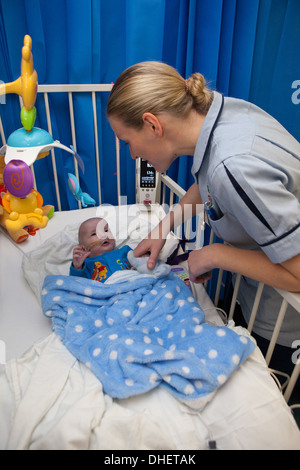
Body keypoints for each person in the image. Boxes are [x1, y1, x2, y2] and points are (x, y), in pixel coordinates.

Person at [106, 61, 300, 381]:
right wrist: (164, 226)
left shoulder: (234, 165)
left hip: (284, 318)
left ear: (153, 125)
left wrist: (213, 255)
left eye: (127, 141)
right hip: (253, 289)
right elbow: (209, 180)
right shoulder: (222, 118)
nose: (131, 155)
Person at [70, 217, 132, 282]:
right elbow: (77, 284)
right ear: (83, 247)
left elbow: (140, 262)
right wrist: (77, 268)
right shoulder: (86, 265)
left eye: (106, 230)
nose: (103, 235)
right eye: (94, 234)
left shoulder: (125, 251)